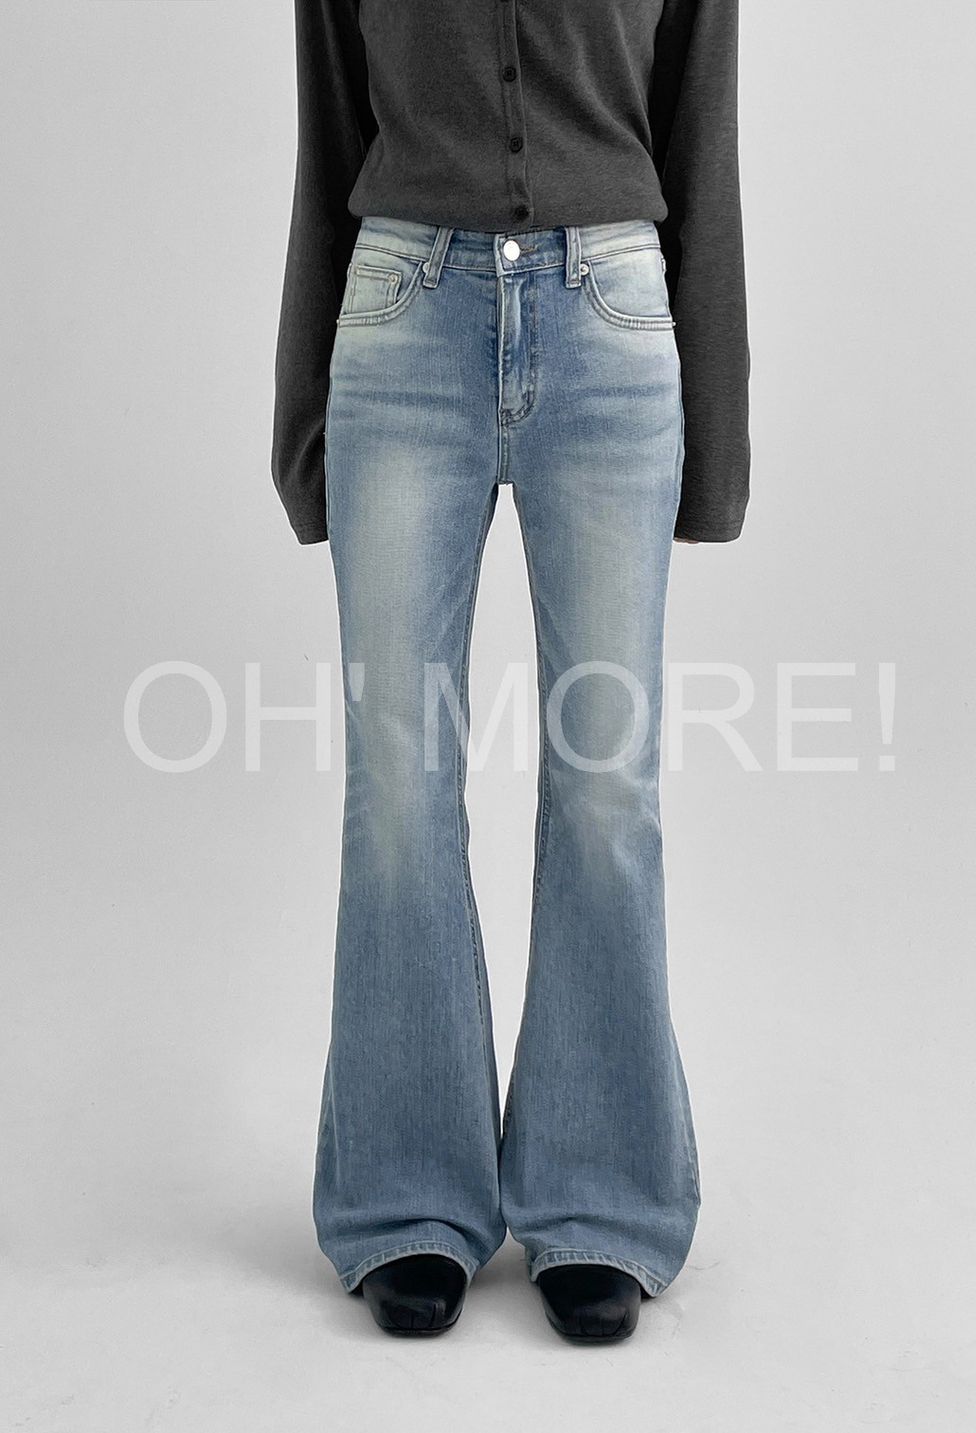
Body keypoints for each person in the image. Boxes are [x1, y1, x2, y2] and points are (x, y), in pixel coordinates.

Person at [271, 0, 750, 1343]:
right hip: (402, 314)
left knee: (606, 789)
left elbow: (701, 134)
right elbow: (330, 132)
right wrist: (302, 423)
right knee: (398, 787)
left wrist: (718, 439)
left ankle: (602, 1197)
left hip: (611, 312)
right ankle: (405, 1197)